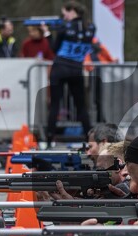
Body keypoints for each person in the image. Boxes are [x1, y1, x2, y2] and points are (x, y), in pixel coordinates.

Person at [47, 1, 96, 145]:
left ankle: (49, 138)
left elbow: (54, 49)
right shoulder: (91, 27)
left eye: (65, 13)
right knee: (81, 106)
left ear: (72, 11)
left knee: (55, 104)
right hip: (76, 69)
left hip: (60, 68)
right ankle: (90, 138)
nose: (64, 17)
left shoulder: (64, 27)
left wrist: (47, 33)